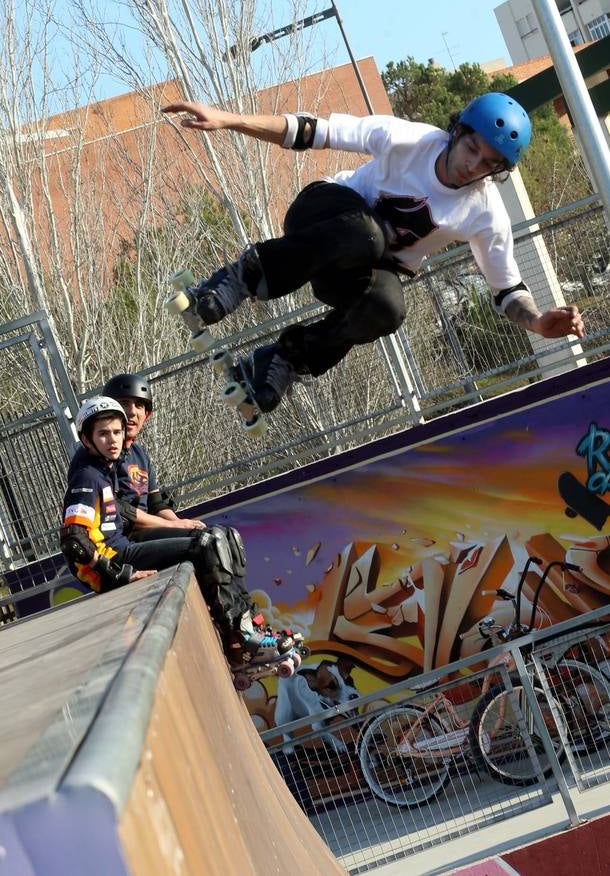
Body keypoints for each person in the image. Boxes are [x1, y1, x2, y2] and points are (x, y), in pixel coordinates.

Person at [161, 92, 585, 413]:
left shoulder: (485, 212)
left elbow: (507, 288)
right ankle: (241, 277)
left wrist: (537, 322)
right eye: (472, 149)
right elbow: (311, 131)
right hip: (322, 214)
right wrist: (228, 120)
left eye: (487, 164)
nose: (471, 167)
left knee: (388, 307)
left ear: (497, 171)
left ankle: (286, 358)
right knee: (368, 236)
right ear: (457, 132)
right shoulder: (411, 140)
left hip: (352, 269)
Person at [60, 397, 295, 668]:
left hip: (121, 548)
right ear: (87, 440)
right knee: (205, 546)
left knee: (214, 538)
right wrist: (119, 574)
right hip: (116, 559)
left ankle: (249, 628)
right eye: (103, 434)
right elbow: (74, 540)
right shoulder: (87, 477)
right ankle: (240, 640)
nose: (112, 440)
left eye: (116, 431)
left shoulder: (105, 469)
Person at [100, 372, 204, 538]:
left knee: (211, 536)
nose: (132, 412)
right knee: (200, 544)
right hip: (123, 539)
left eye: (139, 405)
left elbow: (156, 504)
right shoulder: (102, 454)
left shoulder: (140, 454)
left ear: (147, 416)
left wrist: (182, 524)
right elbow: (119, 509)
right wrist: (173, 526)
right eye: (125, 403)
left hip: (150, 532)